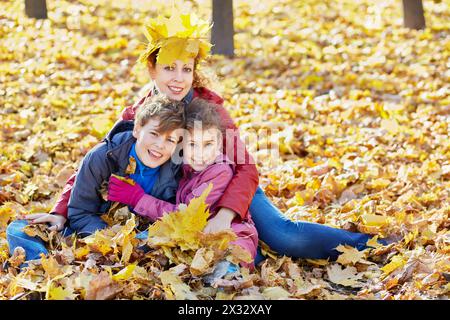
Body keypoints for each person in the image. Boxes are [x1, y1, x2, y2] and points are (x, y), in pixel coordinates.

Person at [14, 10, 386, 265]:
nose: (178, 78)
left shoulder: (211, 111)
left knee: (282, 236)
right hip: (184, 197)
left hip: (229, 186)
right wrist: (60, 211)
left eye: (186, 69)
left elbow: (247, 169)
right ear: (152, 68)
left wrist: (225, 215)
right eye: (169, 68)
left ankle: (367, 246)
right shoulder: (139, 113)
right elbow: (99, 159)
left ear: (195, 72)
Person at [7, 95, 186, 260]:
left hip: (139, 239)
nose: (160, 145)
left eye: (170, 140)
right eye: (154, 134)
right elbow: (79, 211)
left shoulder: (175, 170)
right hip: (94, 230)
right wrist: (110, 238)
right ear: (137, 129)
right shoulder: (103, 156)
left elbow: (172, 216)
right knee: (18, 229)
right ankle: (39, 265)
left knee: (158, 238)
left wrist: (130, 243)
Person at [107, 98, 258, 269]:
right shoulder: (185, 168)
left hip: (232, 235)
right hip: (196, 236)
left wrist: (138, 199)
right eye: (192, 144)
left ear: (218, 144)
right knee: (142, 241)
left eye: (208, 144)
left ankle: (230, 274)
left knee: (228, 257)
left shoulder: (220, 172)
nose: (200, 153)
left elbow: (185, 217)